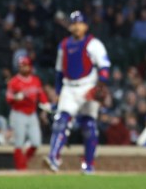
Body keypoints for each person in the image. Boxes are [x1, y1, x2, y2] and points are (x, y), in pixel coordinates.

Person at [43, 11, 111, 174]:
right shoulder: (64, 45)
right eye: (73, 23)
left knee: (88, 126)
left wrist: (100, 86)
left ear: (85, 26)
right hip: (69, 88)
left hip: (88, 86)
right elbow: (59, 71)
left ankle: (89, 164)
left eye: (79, 23)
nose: (76, 26)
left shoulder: (93, 43)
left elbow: (104, 67)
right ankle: (53, 158)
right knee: (61, 121)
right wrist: (58, 91)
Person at [6, 56, 50, 170]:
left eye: (25, 65)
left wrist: (45, 104)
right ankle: (20, 168)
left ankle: (23, 162)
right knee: (19, 143)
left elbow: (41, 94)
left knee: (36, 143)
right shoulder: (14, 81)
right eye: (21, 66)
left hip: (32, 114)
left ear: (30, 66)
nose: (23, 68)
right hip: (18, 113)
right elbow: (8, 98)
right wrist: (15, 98)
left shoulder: (35, 80)